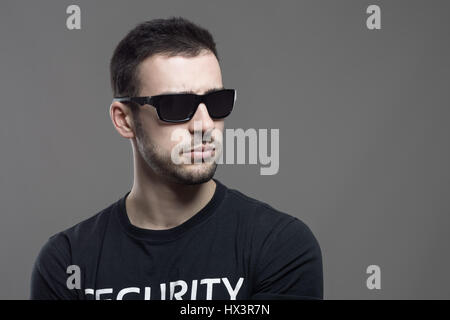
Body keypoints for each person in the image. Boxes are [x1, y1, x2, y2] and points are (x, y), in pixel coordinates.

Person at [30, 16, 323, 300]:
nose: (204, 125)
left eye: (216, 101)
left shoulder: (279, 245)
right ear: (124, 120)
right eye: (176, 105)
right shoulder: (67, 261)